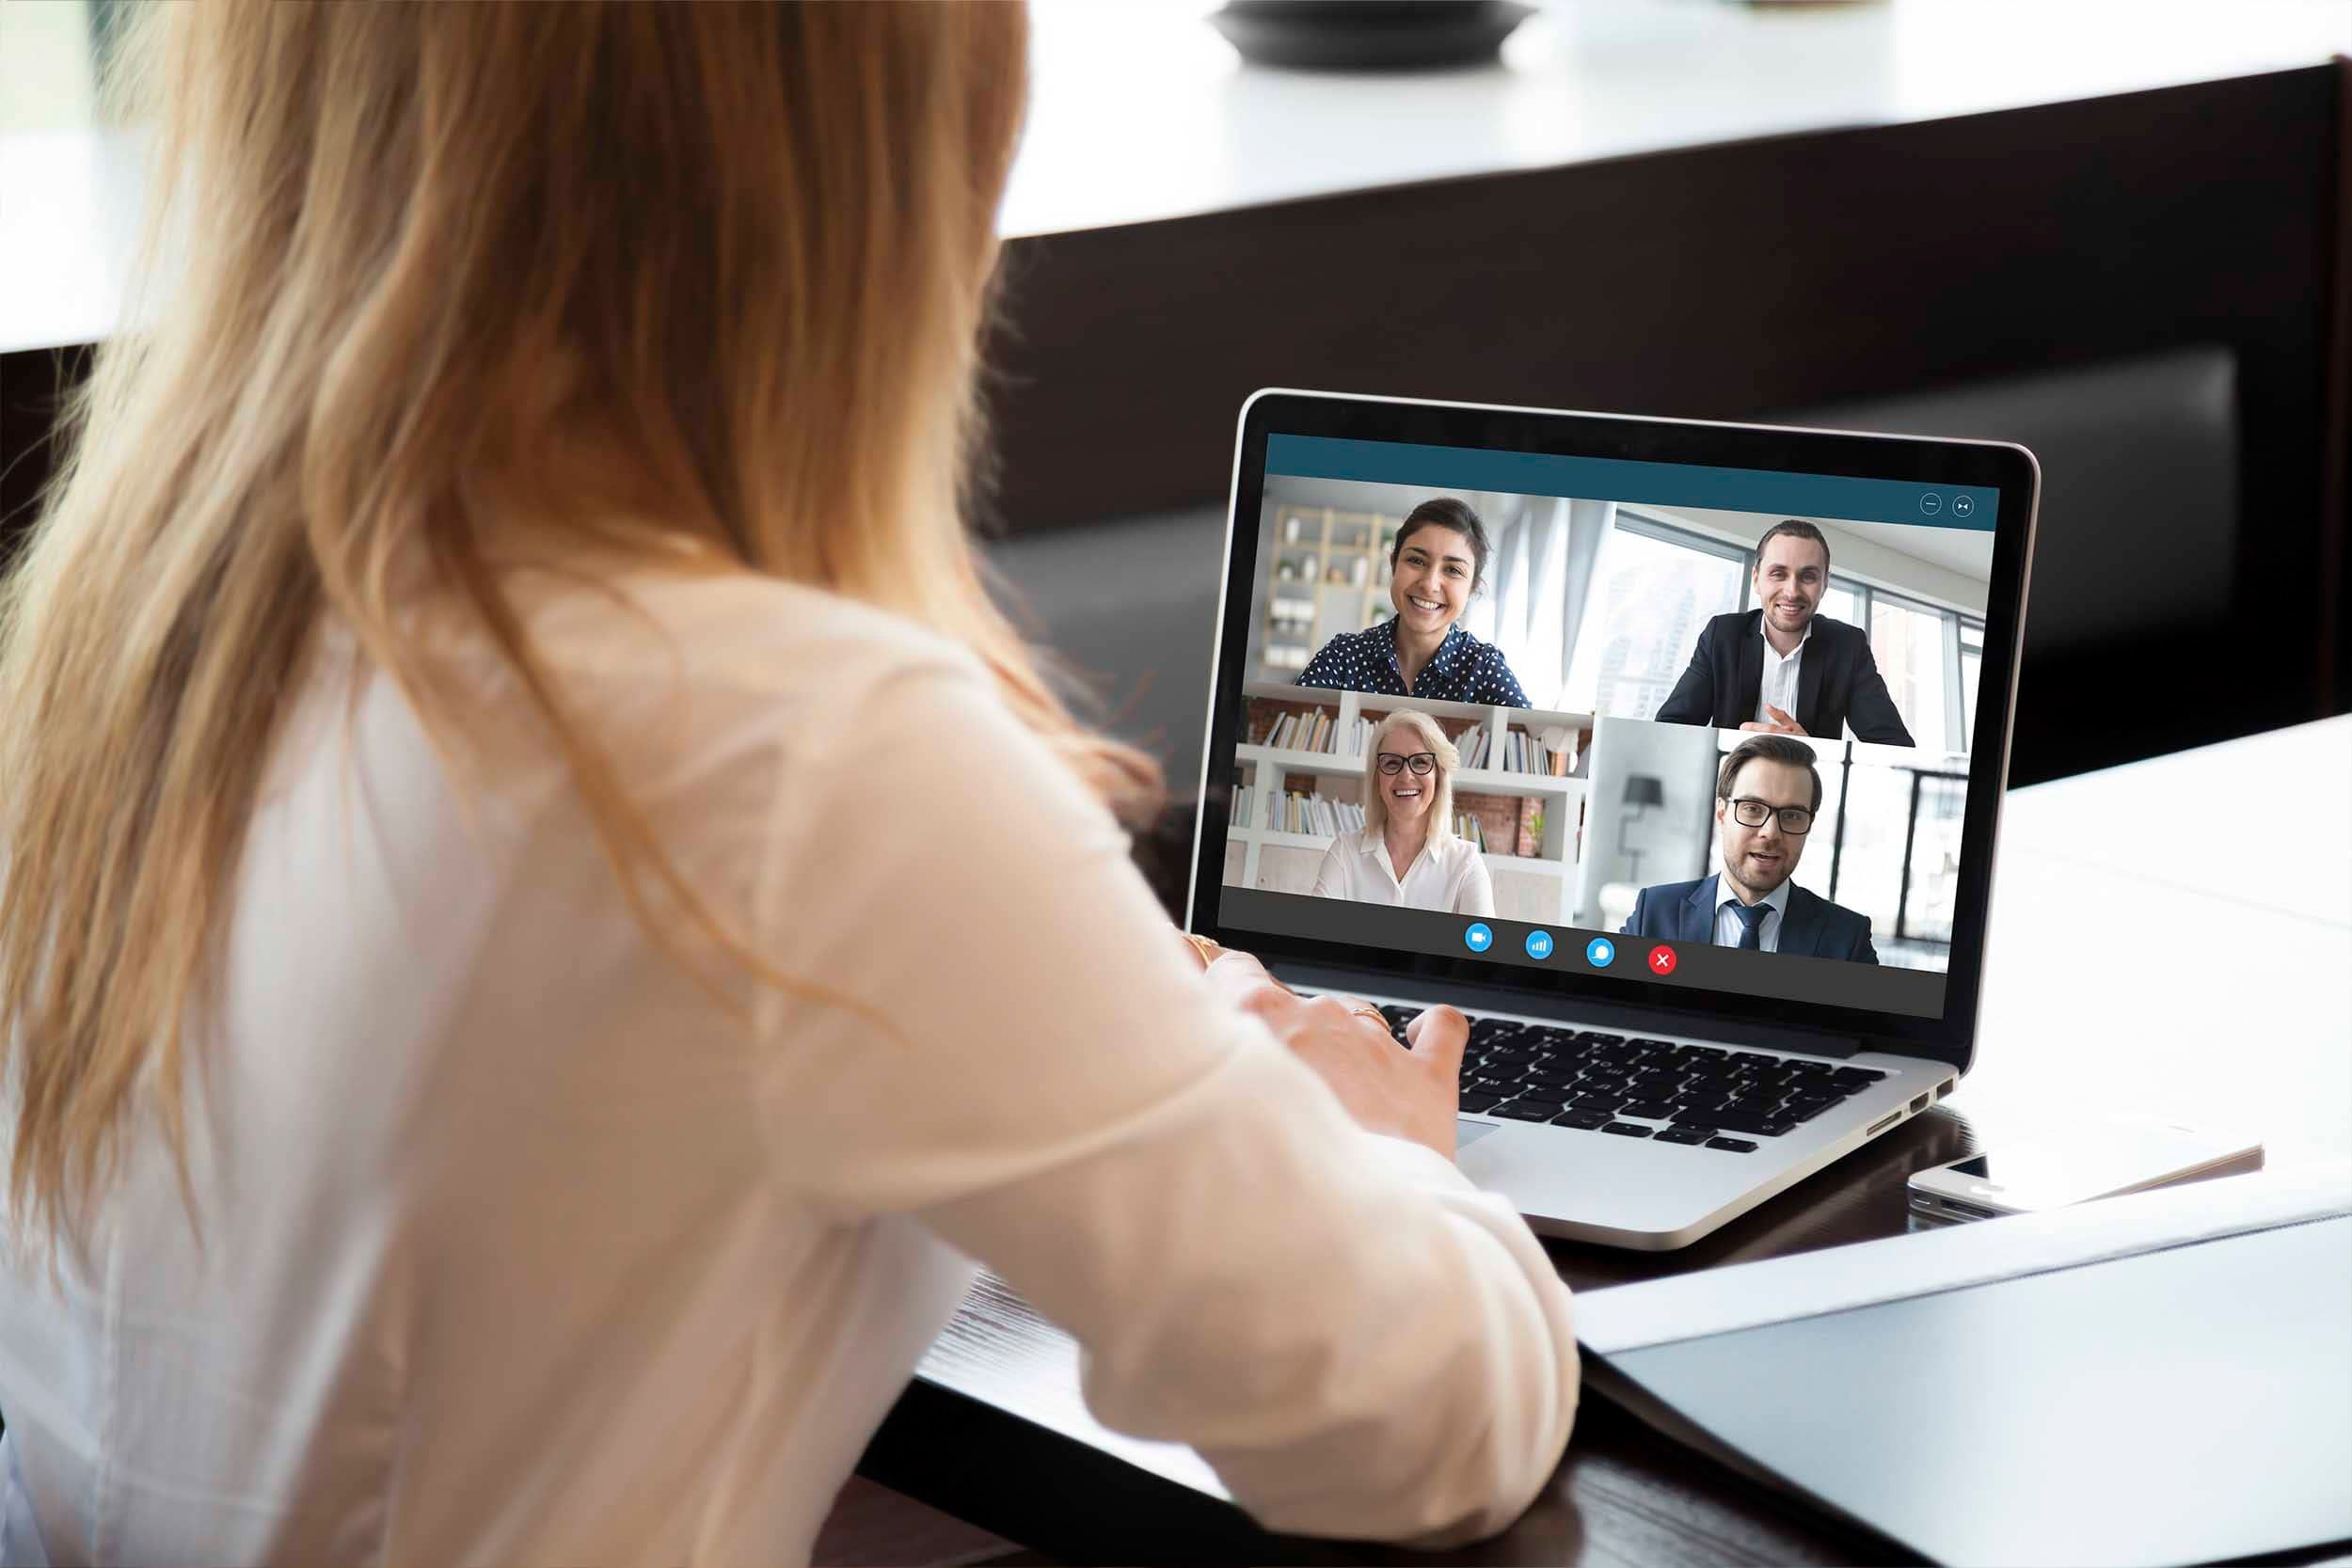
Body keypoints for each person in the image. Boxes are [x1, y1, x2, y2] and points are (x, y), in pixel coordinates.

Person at [0, 6, 1577, 1562]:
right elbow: (1416, 1424)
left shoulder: (130, 648)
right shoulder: (800, 753)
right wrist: (1371, 1155)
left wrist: (1098, 1056)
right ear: (875, 162)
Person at [1651, 519, 1915, 746]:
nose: (1792, 591)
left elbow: (1896, 747)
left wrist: (1811, 752)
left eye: (1808, 576)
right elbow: (1671, 729)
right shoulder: (1722, 635)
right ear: (1756, 578)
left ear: (1825, 584)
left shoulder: (1848, 645)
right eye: (1778, 573)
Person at [1619, 736, 1879, 963]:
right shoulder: (1654, 911)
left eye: (1792, 815)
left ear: (1810, 824)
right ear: (1721, 813)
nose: (1771, 832)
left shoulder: (1847, 937)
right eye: (1753, 808)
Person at [1295, 498, 1532, 705]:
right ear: (1393, 564)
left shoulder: (1484, 668)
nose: (1430, 584)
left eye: (1453, 570)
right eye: (1417, 561)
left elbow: (1537, 743)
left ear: (1472, 588)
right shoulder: (1344, 656)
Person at [1311, 711, 1497, 916]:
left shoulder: (1466, 863)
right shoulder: (1344, 853)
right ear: (1377, 779)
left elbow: (1481, 945)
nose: (1406, 775)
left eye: (1420, 762)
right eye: (1391, 763)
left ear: (1438, 777)